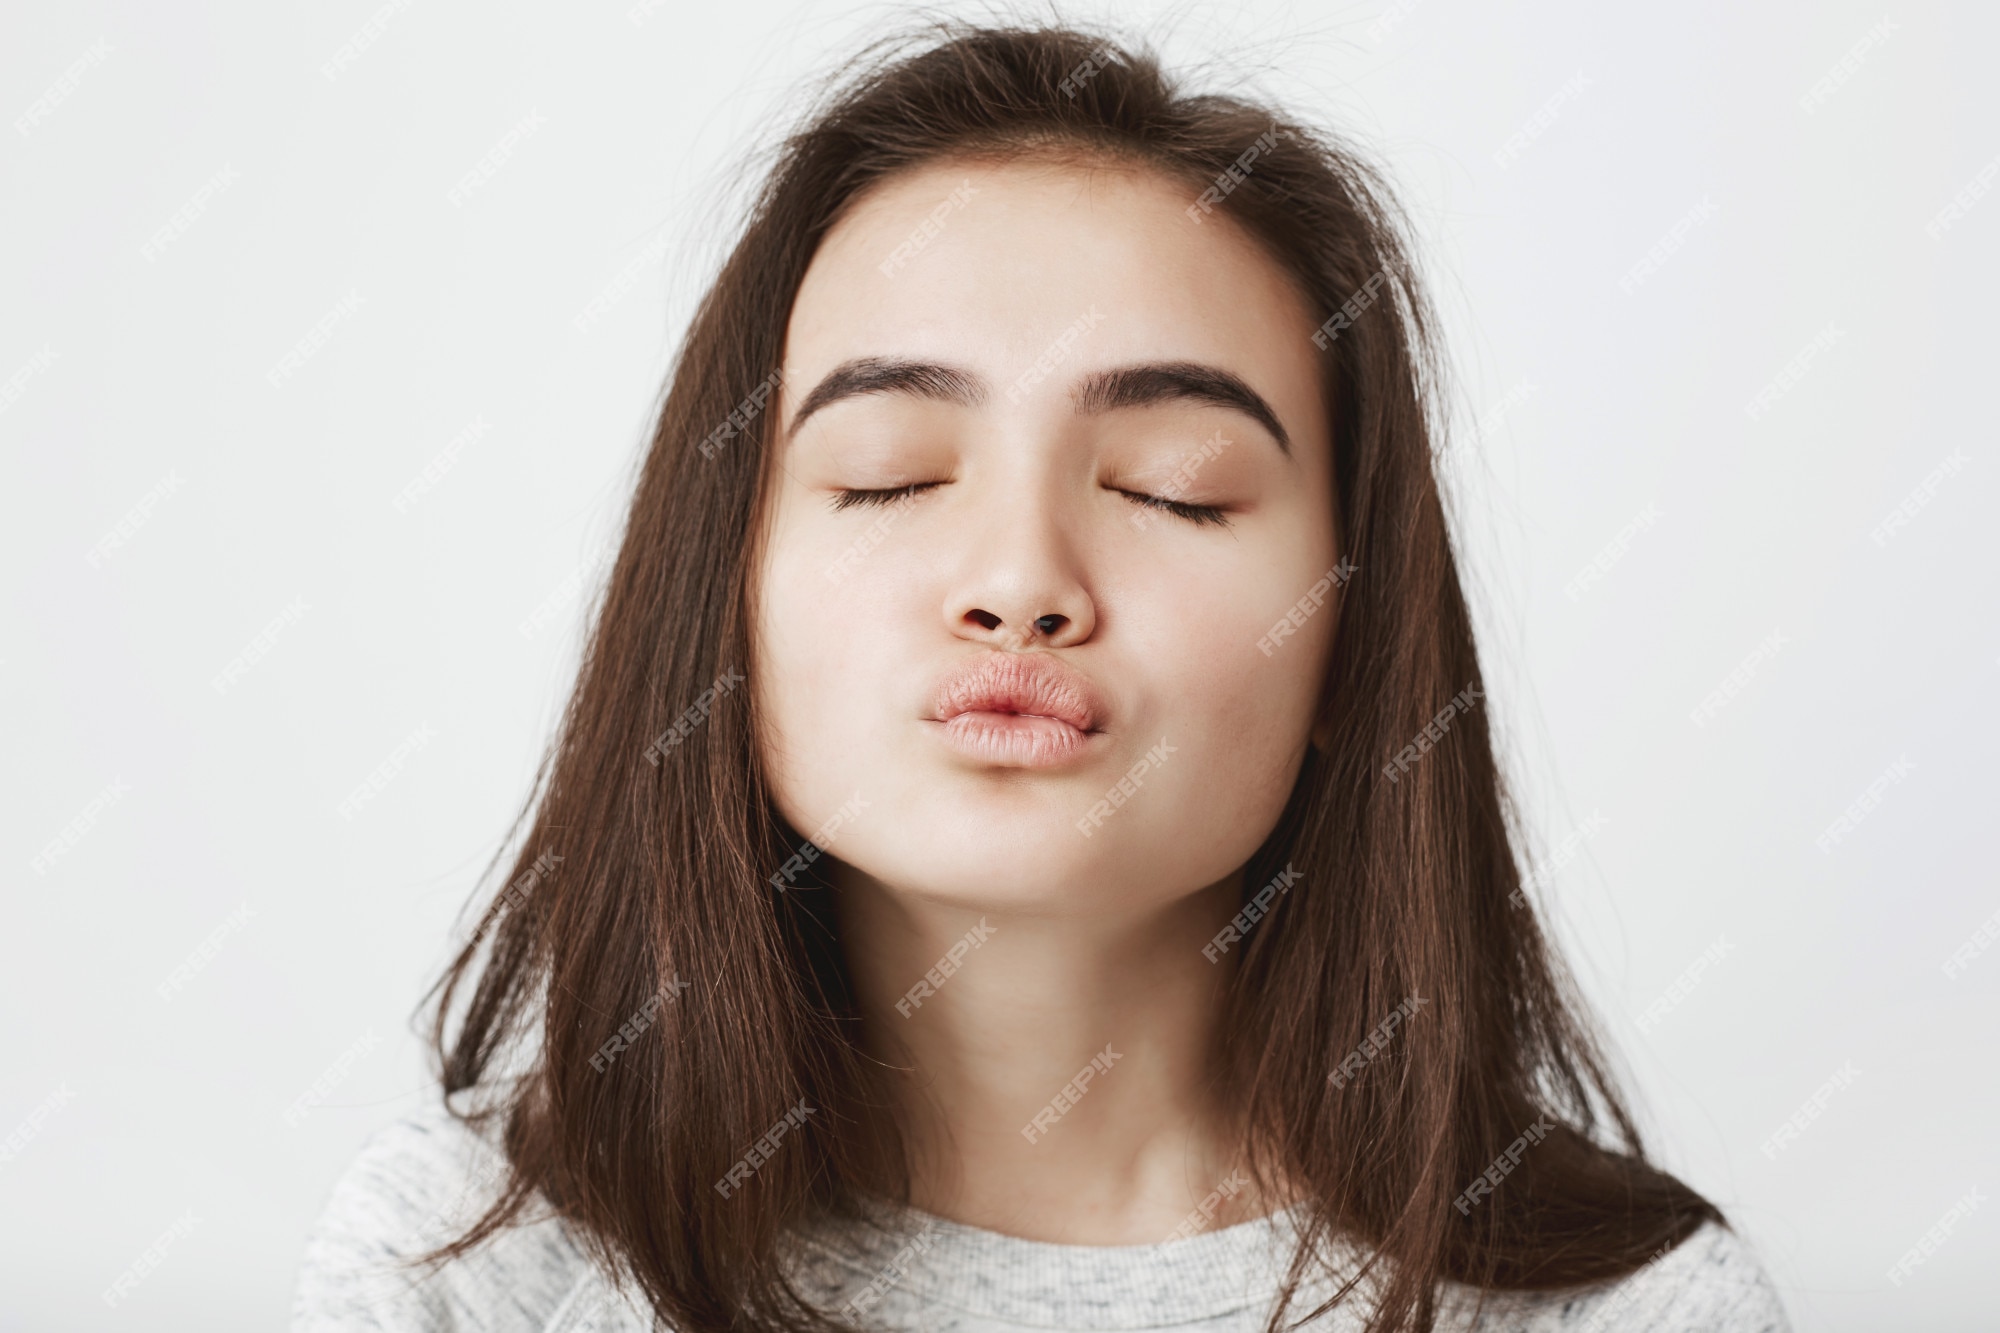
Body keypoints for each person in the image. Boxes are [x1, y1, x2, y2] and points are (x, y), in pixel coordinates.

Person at [290, 21, 1792, 1332]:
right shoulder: (463, 1268)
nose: (1018, 579)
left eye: (1171, 488)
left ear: (1354, 635)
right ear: (721, 600)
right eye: (886, 476)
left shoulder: (1628, 1311)